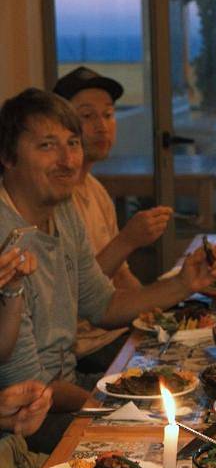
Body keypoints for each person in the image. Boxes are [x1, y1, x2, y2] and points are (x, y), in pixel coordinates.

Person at [0, 88, 216, 414]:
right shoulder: (8, 239)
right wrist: (115, 408)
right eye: (47, 145)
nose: (67, 159)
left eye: (72, 144)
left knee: (205, 390)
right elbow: (28, 384)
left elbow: (102, 306)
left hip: (68, 383)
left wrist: (183, 284)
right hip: (30, 414)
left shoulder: (63, 212)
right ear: (7, 156)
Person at [53, 66, 173, 373]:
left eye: (108, 115)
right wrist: (128, 240)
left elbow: (122, 277)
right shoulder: (54, 202)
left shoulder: (96, 190)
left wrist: (160, 312)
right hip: (85, 349)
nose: (102, 127)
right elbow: (77, 294)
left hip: (119, 333)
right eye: (87, 116)